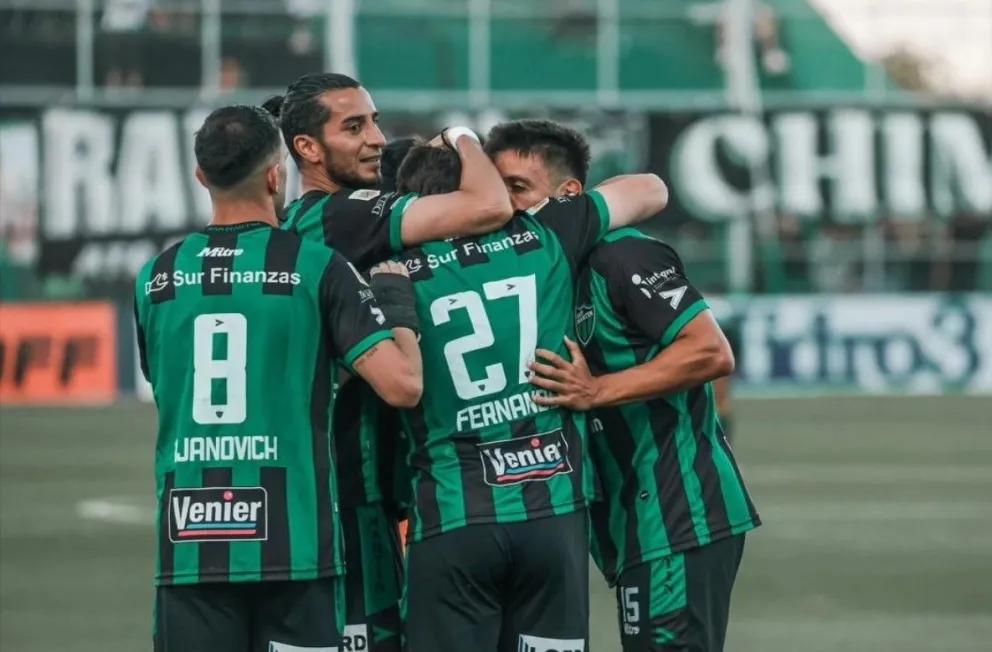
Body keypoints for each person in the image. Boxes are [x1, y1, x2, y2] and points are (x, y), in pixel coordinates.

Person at [134, 104, 424, 652]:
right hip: (298, 548)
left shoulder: (158, 276)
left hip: (190, 543)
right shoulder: (316, 266)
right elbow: (402, 385)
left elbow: (163, 381)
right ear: (275, 175)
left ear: (201, 177)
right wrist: (395, 301)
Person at [489, 118, 761, 652]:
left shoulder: (623, 253)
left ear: (569, 195)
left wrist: (596, 391)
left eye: (518, 189)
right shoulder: (543, 274)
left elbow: (710, 350)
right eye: (497, 191)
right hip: (634, 522)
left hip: (678, 512)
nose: (506, 206)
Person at [263, 72, 513, 651]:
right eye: (354, 127)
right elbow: (489, 204)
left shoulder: (298, 225)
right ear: (307, 149)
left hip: (317, 485)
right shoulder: (342, 214)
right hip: (352, 490)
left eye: (374, 121)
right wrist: (461, 134)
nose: (375, 138)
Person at [390, 139, 668, 652]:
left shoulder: (391, 269)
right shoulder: (545, 236)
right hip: (553, 518)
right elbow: (650, 189)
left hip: (454, 515)